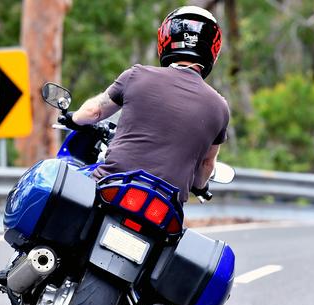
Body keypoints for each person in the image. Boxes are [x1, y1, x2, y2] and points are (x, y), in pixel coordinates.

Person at [66, 5, 229, 203]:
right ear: (212, 48)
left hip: (112, 184)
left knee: (66, 200)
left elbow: (93, 112)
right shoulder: (220, 107)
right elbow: (206, 165)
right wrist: (200, 187)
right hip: (165, 205)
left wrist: (72, 118)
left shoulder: (137, 75)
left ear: (166, 39)